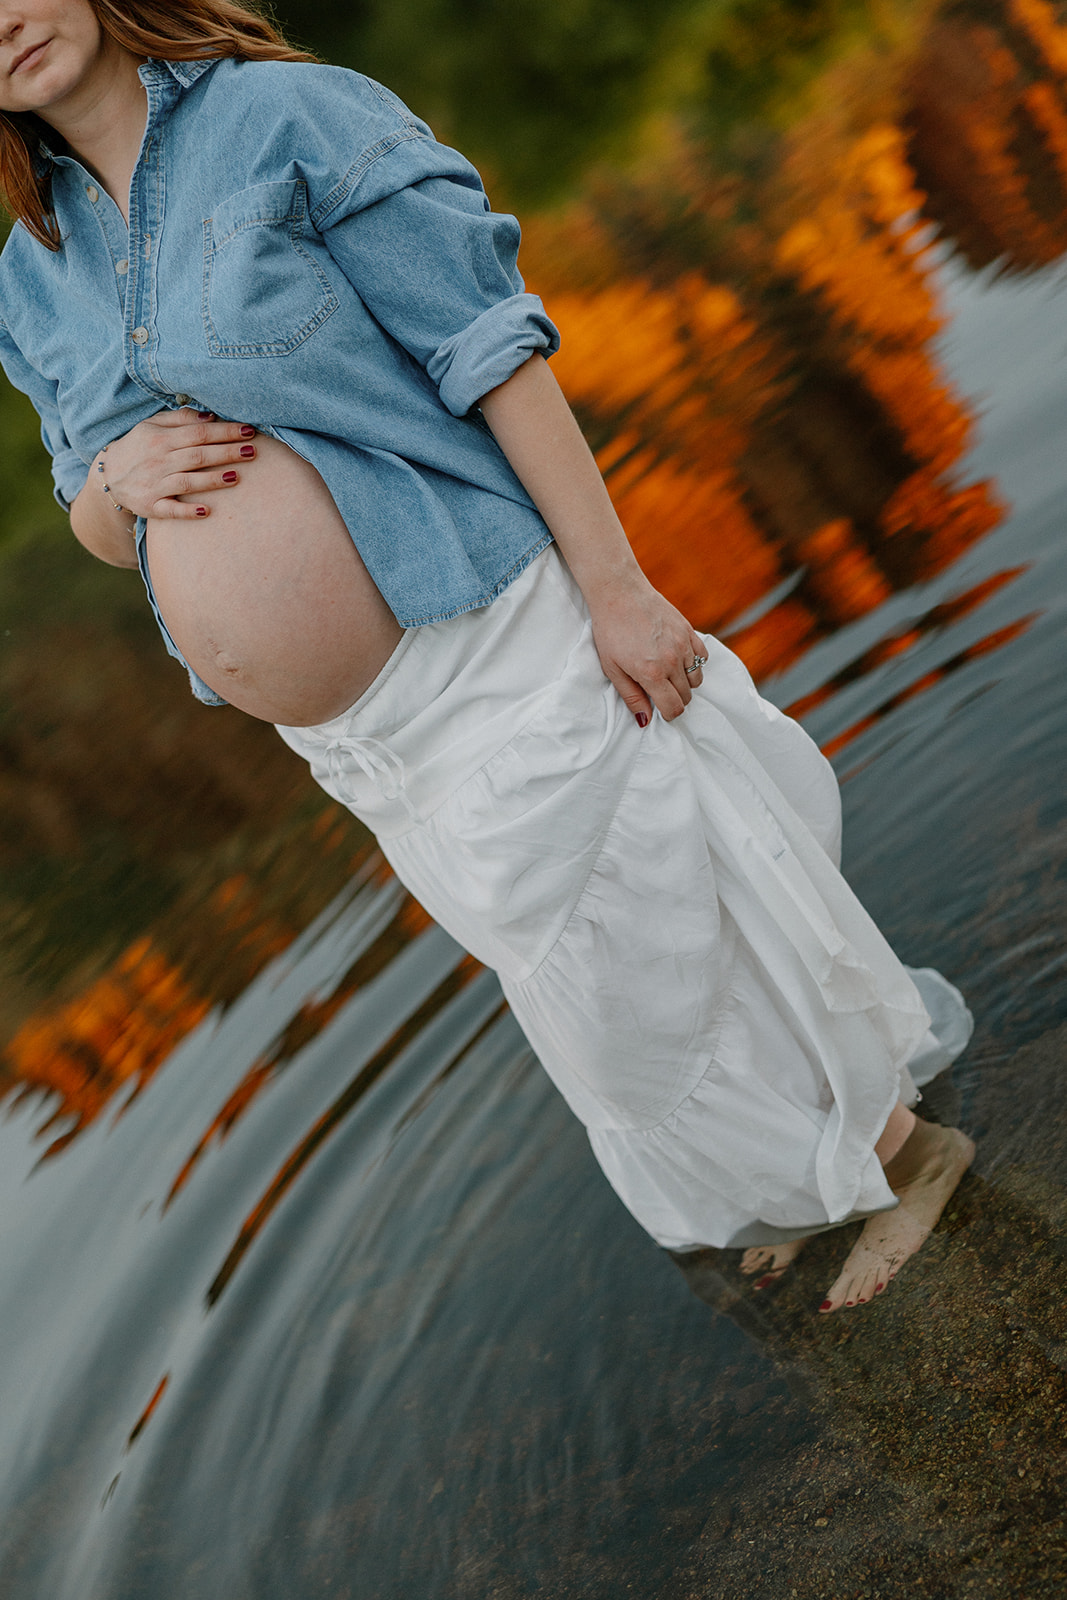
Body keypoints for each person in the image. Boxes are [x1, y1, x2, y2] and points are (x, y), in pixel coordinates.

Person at [0, 0, 976, 1313]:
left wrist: (619, 592)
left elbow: (491, 350)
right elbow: (98, 520)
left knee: (654, 932)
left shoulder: (291, 116)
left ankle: (900, 1159)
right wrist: (115, 479)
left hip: (487, 628)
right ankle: (809, 1168)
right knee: (594, 984)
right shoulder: (31, 263)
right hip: (359, 739)